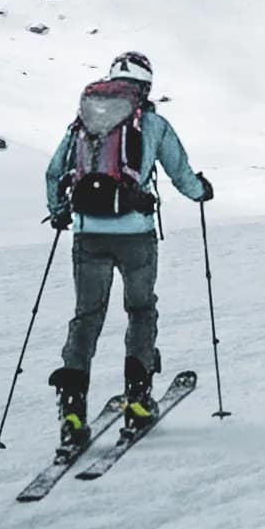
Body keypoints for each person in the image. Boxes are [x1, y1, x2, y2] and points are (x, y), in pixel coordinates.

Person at [43, 50, 212, 459]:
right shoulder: (152, 123)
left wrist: (60, 212)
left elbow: (54, 171)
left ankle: (72, 415)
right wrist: (201, 191)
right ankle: (137, 402)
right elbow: (180, 173)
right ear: (146, 86)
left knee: (86, 317)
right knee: (140, 310)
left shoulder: (83, 122)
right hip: (135, 236)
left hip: (88, 235)